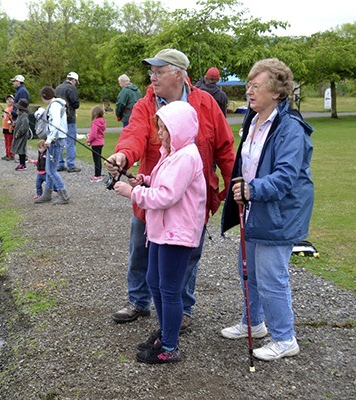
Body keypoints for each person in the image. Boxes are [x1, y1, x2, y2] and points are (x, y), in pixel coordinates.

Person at [107, 49, 235, 331]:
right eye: (151, 72)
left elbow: (225, 147)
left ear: (179, 74)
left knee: (188, 255)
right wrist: (124, 156)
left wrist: (233, 184)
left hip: (192, 202)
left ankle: (182, 307)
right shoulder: (145, 105)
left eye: (158, 71)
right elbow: (134, 134)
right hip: (155, 198)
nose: (152, 77)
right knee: (141, 248)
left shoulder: (207, 104)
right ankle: (138, 301)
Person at [220, 58, 314, 361]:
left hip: (278, 213)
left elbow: (286, 176)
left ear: (276, 91)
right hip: (253, 209)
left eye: (255, 85)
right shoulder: (254, 119)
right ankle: (254, 323)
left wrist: (252, 189)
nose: (249, 90)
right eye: (248, 84)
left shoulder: (290, 128)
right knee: (247, 270)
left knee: (272, 276)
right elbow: (248, 163)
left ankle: (285, 338)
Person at [114, 101, 206, 364]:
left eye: (165, 129)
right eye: (160, 128)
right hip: (160, 231)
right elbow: (163, 183)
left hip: (176, 234)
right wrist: (144, 180)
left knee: (169, 290)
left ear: (180, 129)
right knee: (154, 282)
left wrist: (132, 192)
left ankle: (170, 347)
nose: (161, 134)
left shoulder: (186, 156)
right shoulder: (172, 154)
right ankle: (165, 332)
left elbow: (167, 196)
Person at [34, 86, 70, 205]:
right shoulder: (56, 104)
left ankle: (64, 195)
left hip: (56, 140)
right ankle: (47, 194)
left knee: (51, 170)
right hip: (56, 139)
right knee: (49, 169)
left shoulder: (54, 105)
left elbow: (56, 123)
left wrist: (49, 139)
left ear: (44, 96)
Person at [55, 72, 81, 173]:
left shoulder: (58, 87)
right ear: (73, 80)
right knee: (71, 142)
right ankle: (71, 165)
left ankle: (59, 164)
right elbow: (75, 103)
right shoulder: (72, 88)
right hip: (69, 118)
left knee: (60, 141)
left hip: (59, 118)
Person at [86, 105, 106, 182]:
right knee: (98, 159)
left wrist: (88, 140)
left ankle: (97, 176)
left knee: (96, 160)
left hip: (95, 143)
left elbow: (93, 135)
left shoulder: (95, 123)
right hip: (100, 142)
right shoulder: (102, 121)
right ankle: (99, 174)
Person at [11, 99, 31, 171]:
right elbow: (18, 122)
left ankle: (23, 165)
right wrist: (14, 124)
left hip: (22, 136)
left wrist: (18, 133)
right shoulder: (20, 115)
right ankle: (21, 163)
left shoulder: (24, 116)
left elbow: (24, 126)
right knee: (19, 149)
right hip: (19, 135)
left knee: (21, 149)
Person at [1, 94, 15, 161]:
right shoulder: (6, 108)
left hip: (10, 127)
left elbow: (13, 118)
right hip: (5, 127)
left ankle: (11, 155)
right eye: (8, 99)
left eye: (11, 99)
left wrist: (11, 127)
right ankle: (7, 154)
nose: (9, 100)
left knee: (10, 142)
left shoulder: (13, 108)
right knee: (6, 142)